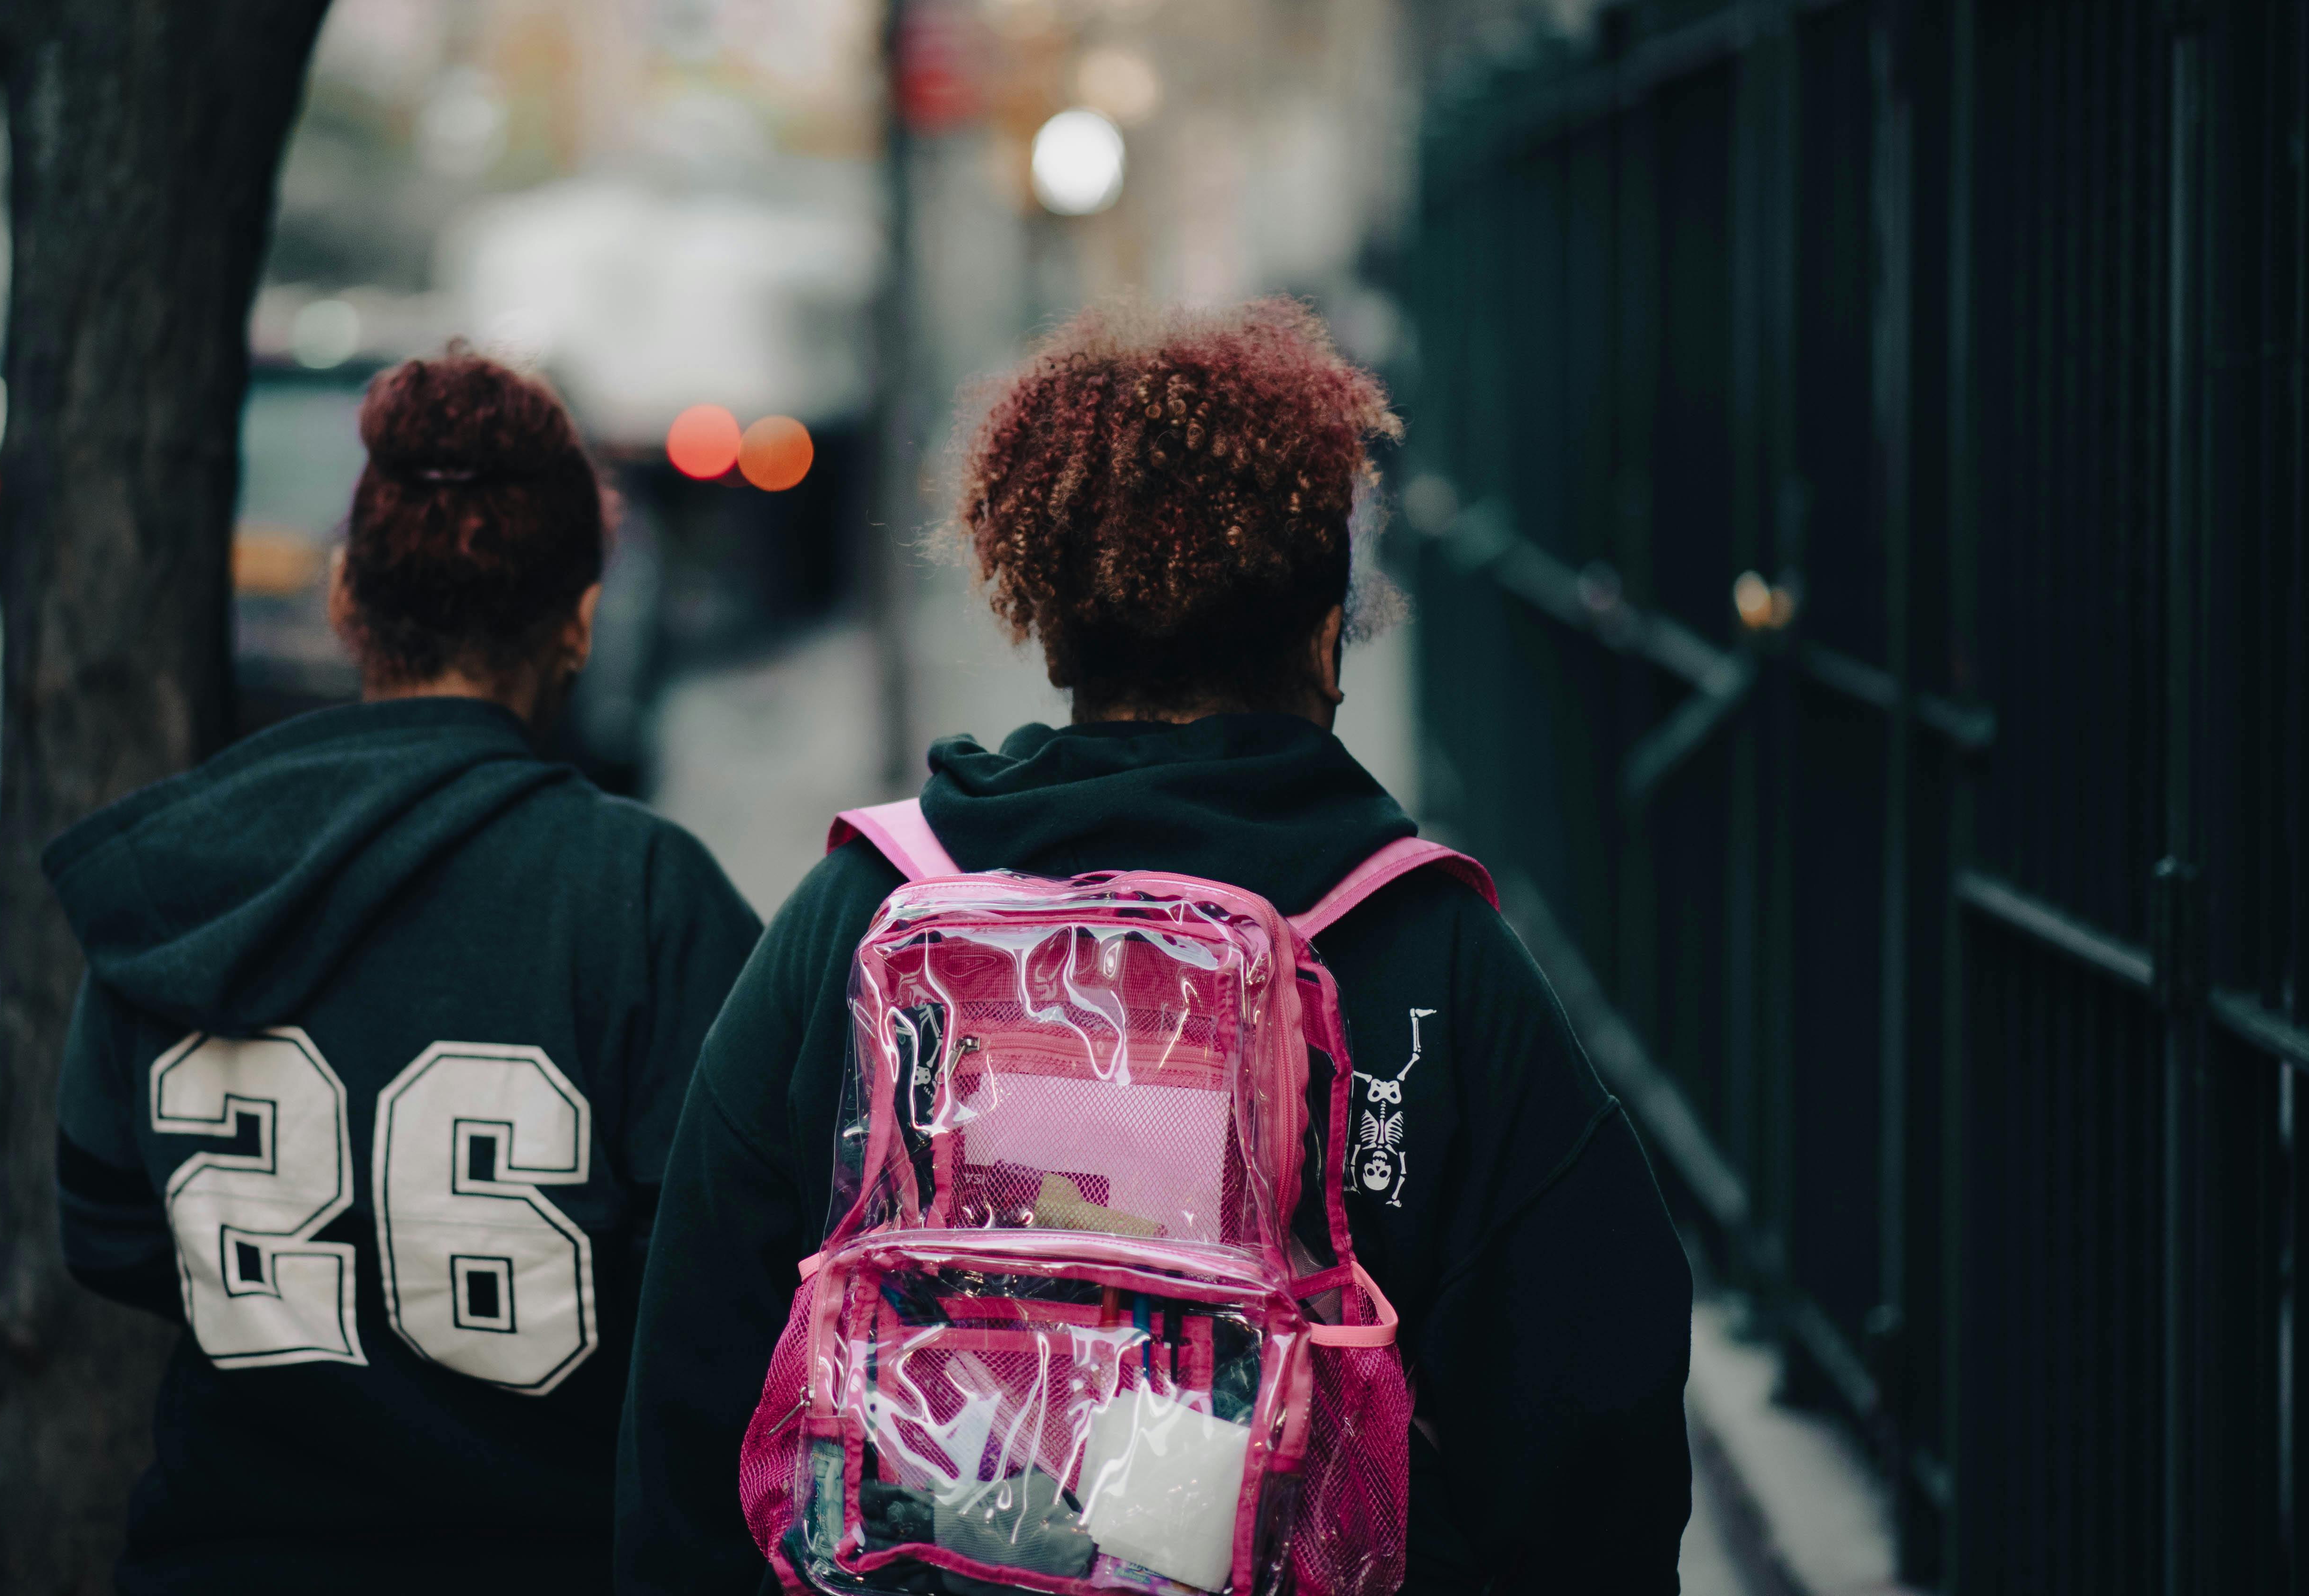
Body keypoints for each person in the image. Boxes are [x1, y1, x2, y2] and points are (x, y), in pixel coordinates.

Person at [613, 299, 1692, 1594]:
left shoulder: (857, 921)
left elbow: (691, 1387)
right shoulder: (1433, 959)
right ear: (1324, 634)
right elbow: (1595, 1439)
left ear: (1053, 626)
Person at [49, 349, 761, 1594]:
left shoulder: (182, 879)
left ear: (342, 597)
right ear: (580, 626)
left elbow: (106, 1230)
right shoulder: (646, 899)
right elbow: (732, 1278)